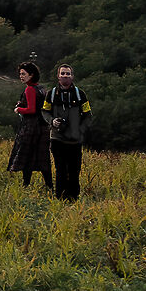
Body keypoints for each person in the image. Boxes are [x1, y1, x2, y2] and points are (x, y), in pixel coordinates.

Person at [44, 62, 91, 201]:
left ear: (72, 76)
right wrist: (52, 121)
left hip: (75, 140)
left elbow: (88, 115)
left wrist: (80, 130)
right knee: (60, 170)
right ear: (58, 76)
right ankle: (60, 198)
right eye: (62, 73)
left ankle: (74, 198)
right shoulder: (51, 94)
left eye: (68, 73)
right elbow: (45, 112)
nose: (65, 76)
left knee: (75, 170)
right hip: (57, 138)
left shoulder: (80, 94)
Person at [7, 60, 50, 189]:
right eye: (20, 74)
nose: (21, 76)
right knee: (43, 157)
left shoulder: (30, 89)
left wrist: (18, 109)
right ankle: (49, 186)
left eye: (23, 74)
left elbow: (31, 110)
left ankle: (25, 185)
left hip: (31, 127)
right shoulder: (41, 88)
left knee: (26, 156)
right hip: (43, 127)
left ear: (31, 75)